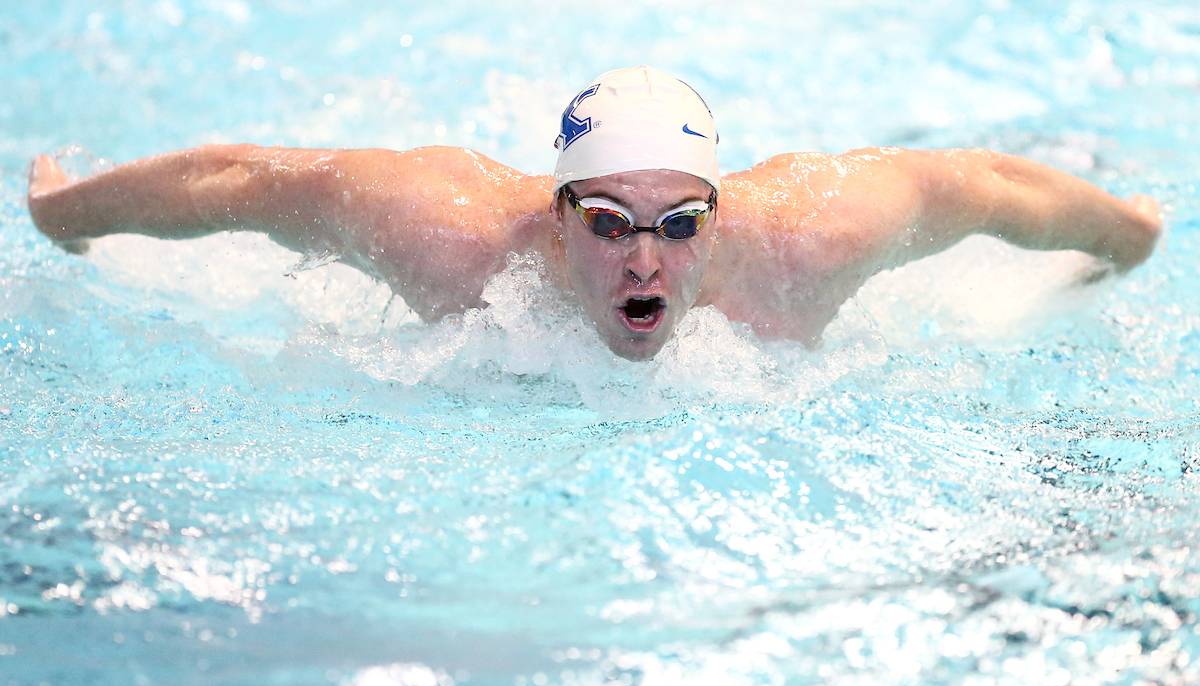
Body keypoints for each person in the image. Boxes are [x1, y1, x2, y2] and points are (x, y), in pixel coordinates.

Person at [27, 66, 1162, 361]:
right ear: (555, 211)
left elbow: (981, 187)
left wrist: (1126, 235)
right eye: (610, 219)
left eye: (678, 224)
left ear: (718, 219)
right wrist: (67, 215)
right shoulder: (451, 233)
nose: (645, 256)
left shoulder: (803, 240)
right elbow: (248, 181)